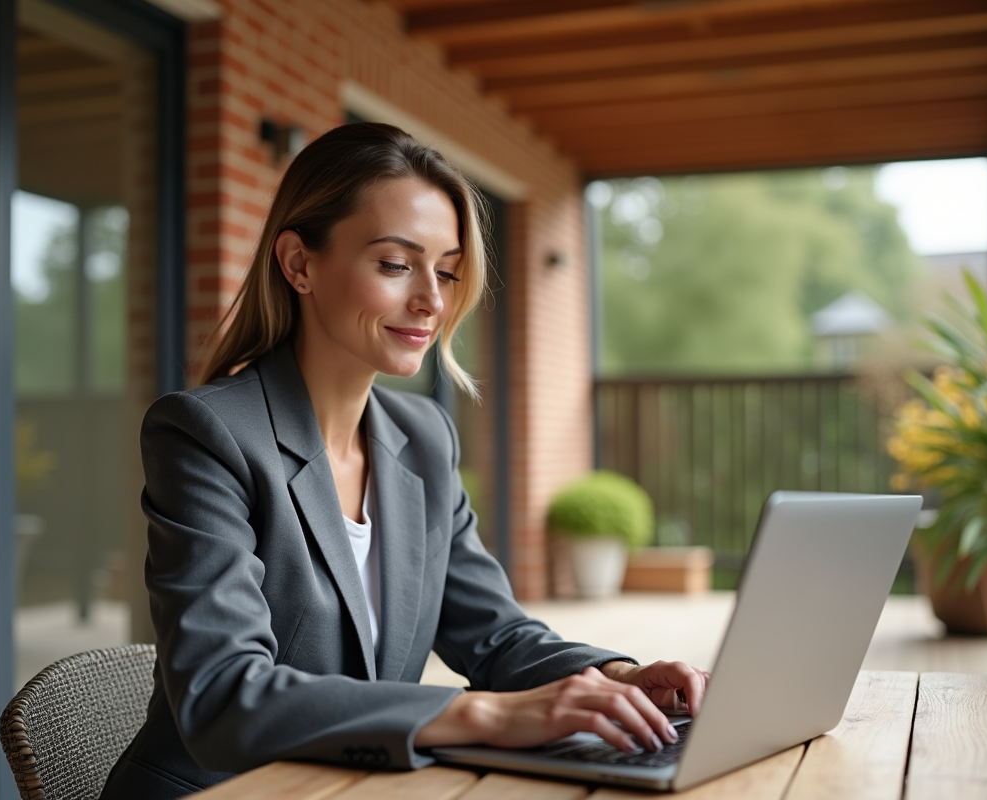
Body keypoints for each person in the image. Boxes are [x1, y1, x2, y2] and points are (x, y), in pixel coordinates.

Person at [100, 122, 708, 799]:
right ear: (299, 264)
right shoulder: (207, 433)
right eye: (395, 264)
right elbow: (221, 695)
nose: (433, 300)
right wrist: (485, 714)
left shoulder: (423, 436)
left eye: (446, 271)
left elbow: (497, 637)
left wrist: (620, 677)